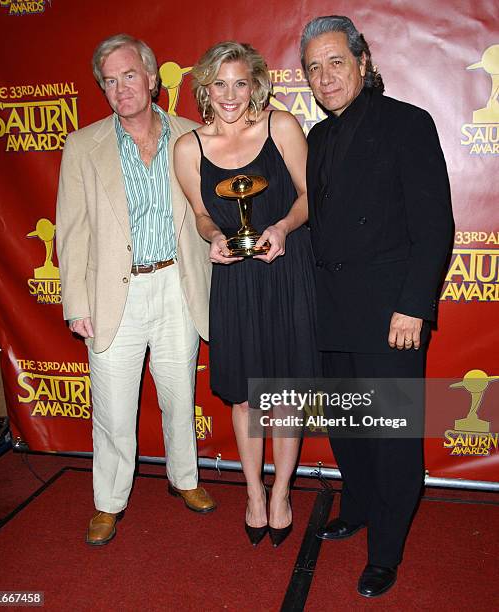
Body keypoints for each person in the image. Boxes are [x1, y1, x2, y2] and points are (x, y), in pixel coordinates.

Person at [301, 16, 453, 597]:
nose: (325, 76)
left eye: (336, 62)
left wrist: (414, 305)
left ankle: (386, 551)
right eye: (314, 67)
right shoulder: (317, 138)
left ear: (364, 62)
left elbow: (435, 223)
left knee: (391, 437)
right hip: (332, 311)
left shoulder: (407, 124)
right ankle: (359, 506)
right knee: (346, 425)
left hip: (391, 314)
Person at [56, 33, 216, 546]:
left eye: (130, 75)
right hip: (113, 297)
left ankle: (185, 480)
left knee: (178, 394)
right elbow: (71, 230)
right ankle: (108, 502)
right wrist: (77, 304)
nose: (121, 88)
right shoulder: (83, 145)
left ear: (151, 77)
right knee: (113, 408)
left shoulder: (193, 136)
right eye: (109, 80)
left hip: (177, 284)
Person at [174, 41, 320, 548]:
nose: (231, 94)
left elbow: (309, 198)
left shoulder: (281, 127)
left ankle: (281, 492)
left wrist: (281, 227)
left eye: (240, 83)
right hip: (235, 279)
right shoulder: (188, 147)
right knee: (243, 397)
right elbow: (200, 213)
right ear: (205, 89)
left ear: (255, 84)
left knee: (283, 396)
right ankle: (253, 493)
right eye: (220, 84)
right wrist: (213, 236)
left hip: (284, 271)